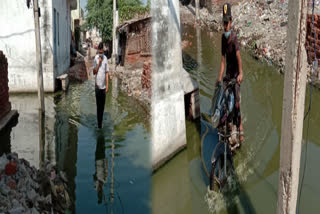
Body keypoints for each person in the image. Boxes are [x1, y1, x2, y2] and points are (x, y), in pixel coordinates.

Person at [216, 3, 244, 144]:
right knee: (224, 103)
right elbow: (222, 61)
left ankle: (240, 127)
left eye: (227, 23)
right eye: (224, 23)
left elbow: (238, 57)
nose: (225, 25)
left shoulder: (234, 38)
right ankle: (225, 125)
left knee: (237, 103)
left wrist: (241, 73)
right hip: (227, 75)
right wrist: (219, 78)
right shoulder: (222, 38)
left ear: (231, 22)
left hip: (235, 75)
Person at [93, 42, 109, 129]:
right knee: (98, 106)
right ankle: (99, 124)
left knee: (102, 107)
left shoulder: (106, 59)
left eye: (102, 52)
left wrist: (107, 85)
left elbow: (107, 73)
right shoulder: (95, 58)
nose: (101, 54)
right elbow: (93, 72)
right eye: (100, 52)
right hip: (97, 87)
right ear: (98, 51)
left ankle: (100, 123)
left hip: (103, 88)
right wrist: (99, 63)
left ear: (103, 51)